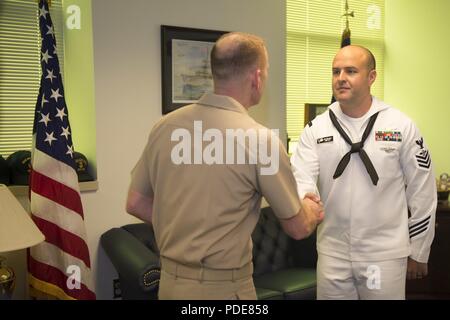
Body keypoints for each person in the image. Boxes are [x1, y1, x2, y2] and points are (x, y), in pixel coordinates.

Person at [126, 32, 324, 300]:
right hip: (224, 289)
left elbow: (136, 202)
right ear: (256, 77)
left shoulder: (165, 127)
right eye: (265, 73)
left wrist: (185, 226)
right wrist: (311, 209)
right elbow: (298, 227)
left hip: (170, 285)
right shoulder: (260, 140)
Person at [291, 45, 437, 300]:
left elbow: (422, 190)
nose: (341, 78)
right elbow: (301, 176)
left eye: (350, 71)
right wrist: (307, 199)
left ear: (371, 77)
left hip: (382, 255)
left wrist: (419, 249)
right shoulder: (316, 128)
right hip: (333, 253)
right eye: (336, 71)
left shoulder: (399, 125)